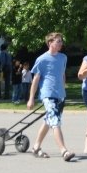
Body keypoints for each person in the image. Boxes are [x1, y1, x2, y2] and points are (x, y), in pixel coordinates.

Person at [27, 32, 75, 162]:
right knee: (55, 122)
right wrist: (31, 98)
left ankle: (36, 147)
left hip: (60, 95)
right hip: (48, 94)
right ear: (50, 43)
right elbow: (36, 80)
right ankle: (64, 151)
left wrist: (63, 89)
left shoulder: (63, 57)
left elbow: (62, 74)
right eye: (58, 41)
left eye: (61, 41)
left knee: (48, 121)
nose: (60, 43)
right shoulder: (42, 59)